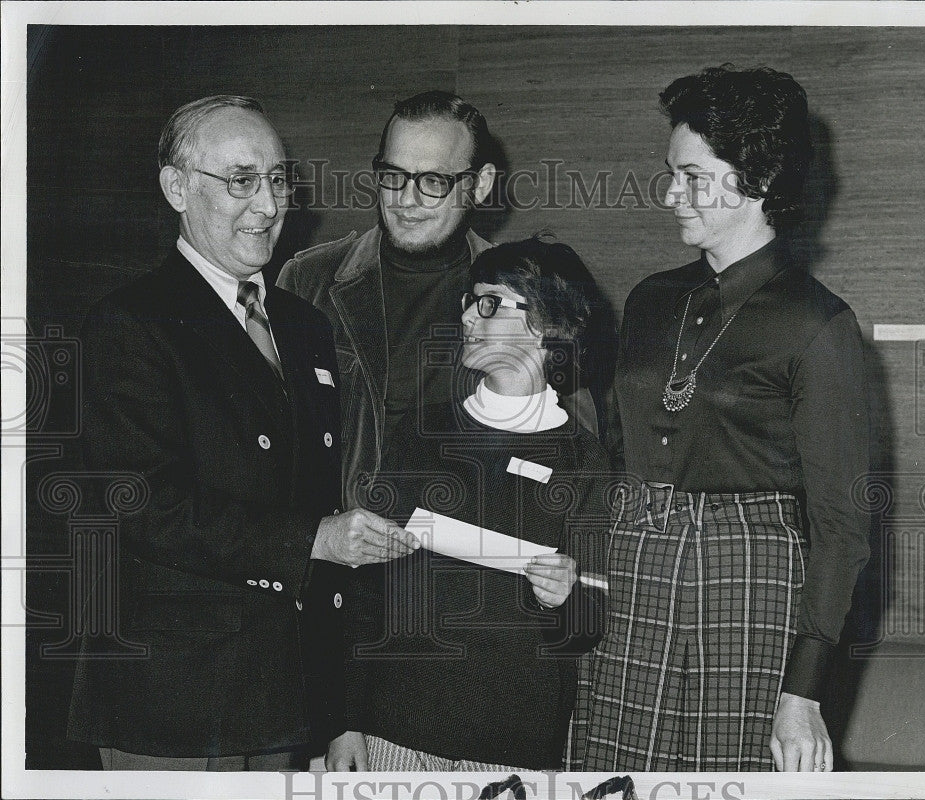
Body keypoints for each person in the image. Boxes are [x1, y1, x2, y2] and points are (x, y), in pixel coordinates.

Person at [66, 95, 418, 771]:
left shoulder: (304, 325)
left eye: (278, 180)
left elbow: (320, 495)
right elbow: (141, 503)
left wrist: (340, 706)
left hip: (283, 694)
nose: (267, 205)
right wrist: (314, 538)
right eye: (241, 180)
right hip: (172, 701)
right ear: (177, 188)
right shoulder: (131, 323)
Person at [583, 66, 870, 772]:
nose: (670, 193)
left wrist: (803, 691)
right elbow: (615, 453)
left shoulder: (819, 324)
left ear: (760, 179)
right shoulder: (650, 301)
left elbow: (842, 527)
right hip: (631, 564)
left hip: (746, 581)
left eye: (692, 176)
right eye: (670, 173)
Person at [330, 238, 614, 771]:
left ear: (546, 324)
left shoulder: (586, 458)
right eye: (468, 300)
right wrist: (344, 719)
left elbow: (590, 623)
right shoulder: (420, 433)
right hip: (397, 730)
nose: (466, 315)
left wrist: (566, 597)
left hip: (515, 744)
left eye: (488, 303)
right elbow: (365, 591)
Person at [278, 90, 607, 515]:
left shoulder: (522, 294)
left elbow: (575, 449)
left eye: (433, 181)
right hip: (336, 561)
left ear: (480, 184)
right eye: (393, 175)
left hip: (459, 564)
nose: (407, 199)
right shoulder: (308, 280)